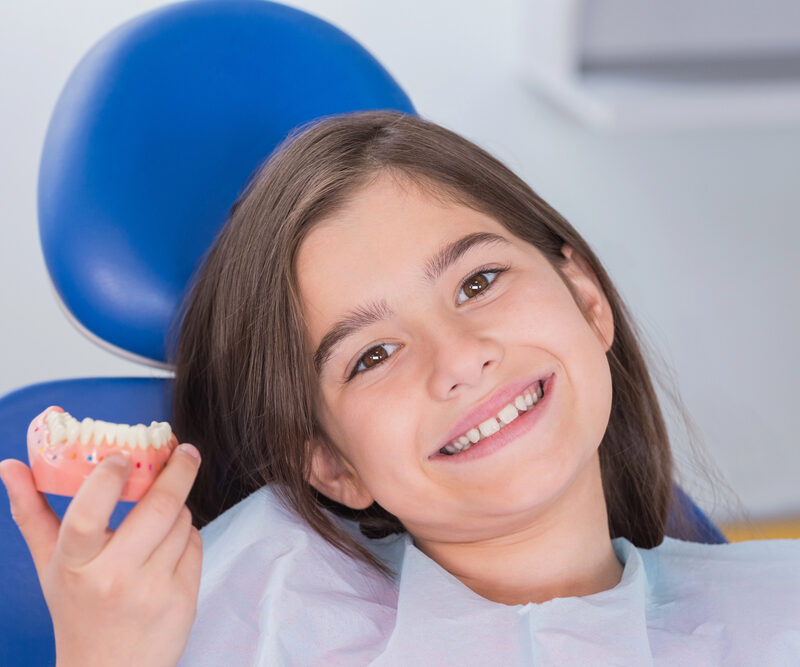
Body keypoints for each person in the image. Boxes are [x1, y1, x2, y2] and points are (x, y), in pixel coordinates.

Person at [1, 110, 798, 665]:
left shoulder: (776, 610)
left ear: (586, 299)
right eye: (372, 354)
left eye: (479, 279)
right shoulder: (260, 606)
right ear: (329, 464)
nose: (458, 357)